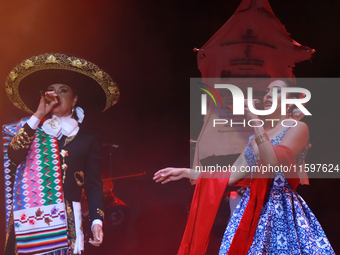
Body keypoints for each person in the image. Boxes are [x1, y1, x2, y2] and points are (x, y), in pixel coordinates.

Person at [154, 80, 335, 254]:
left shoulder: (298, 127)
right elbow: (231, 176)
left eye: (277, 91)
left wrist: (255, 121)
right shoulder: (255, 138)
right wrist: (185, 172)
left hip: (281, 209)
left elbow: (272, 162)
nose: (268, 95)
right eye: (267, 91)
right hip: (250, 209)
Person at [3, 53, 120, 254]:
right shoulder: (31, 128)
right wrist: (38, 114)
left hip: (66, 224)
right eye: (51, 91)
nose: (55, 95)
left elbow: (93, 184)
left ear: (74, 100)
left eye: (63, 90)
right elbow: (13, 156)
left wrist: (96, 221)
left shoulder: (87, 136)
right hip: (29, 224)